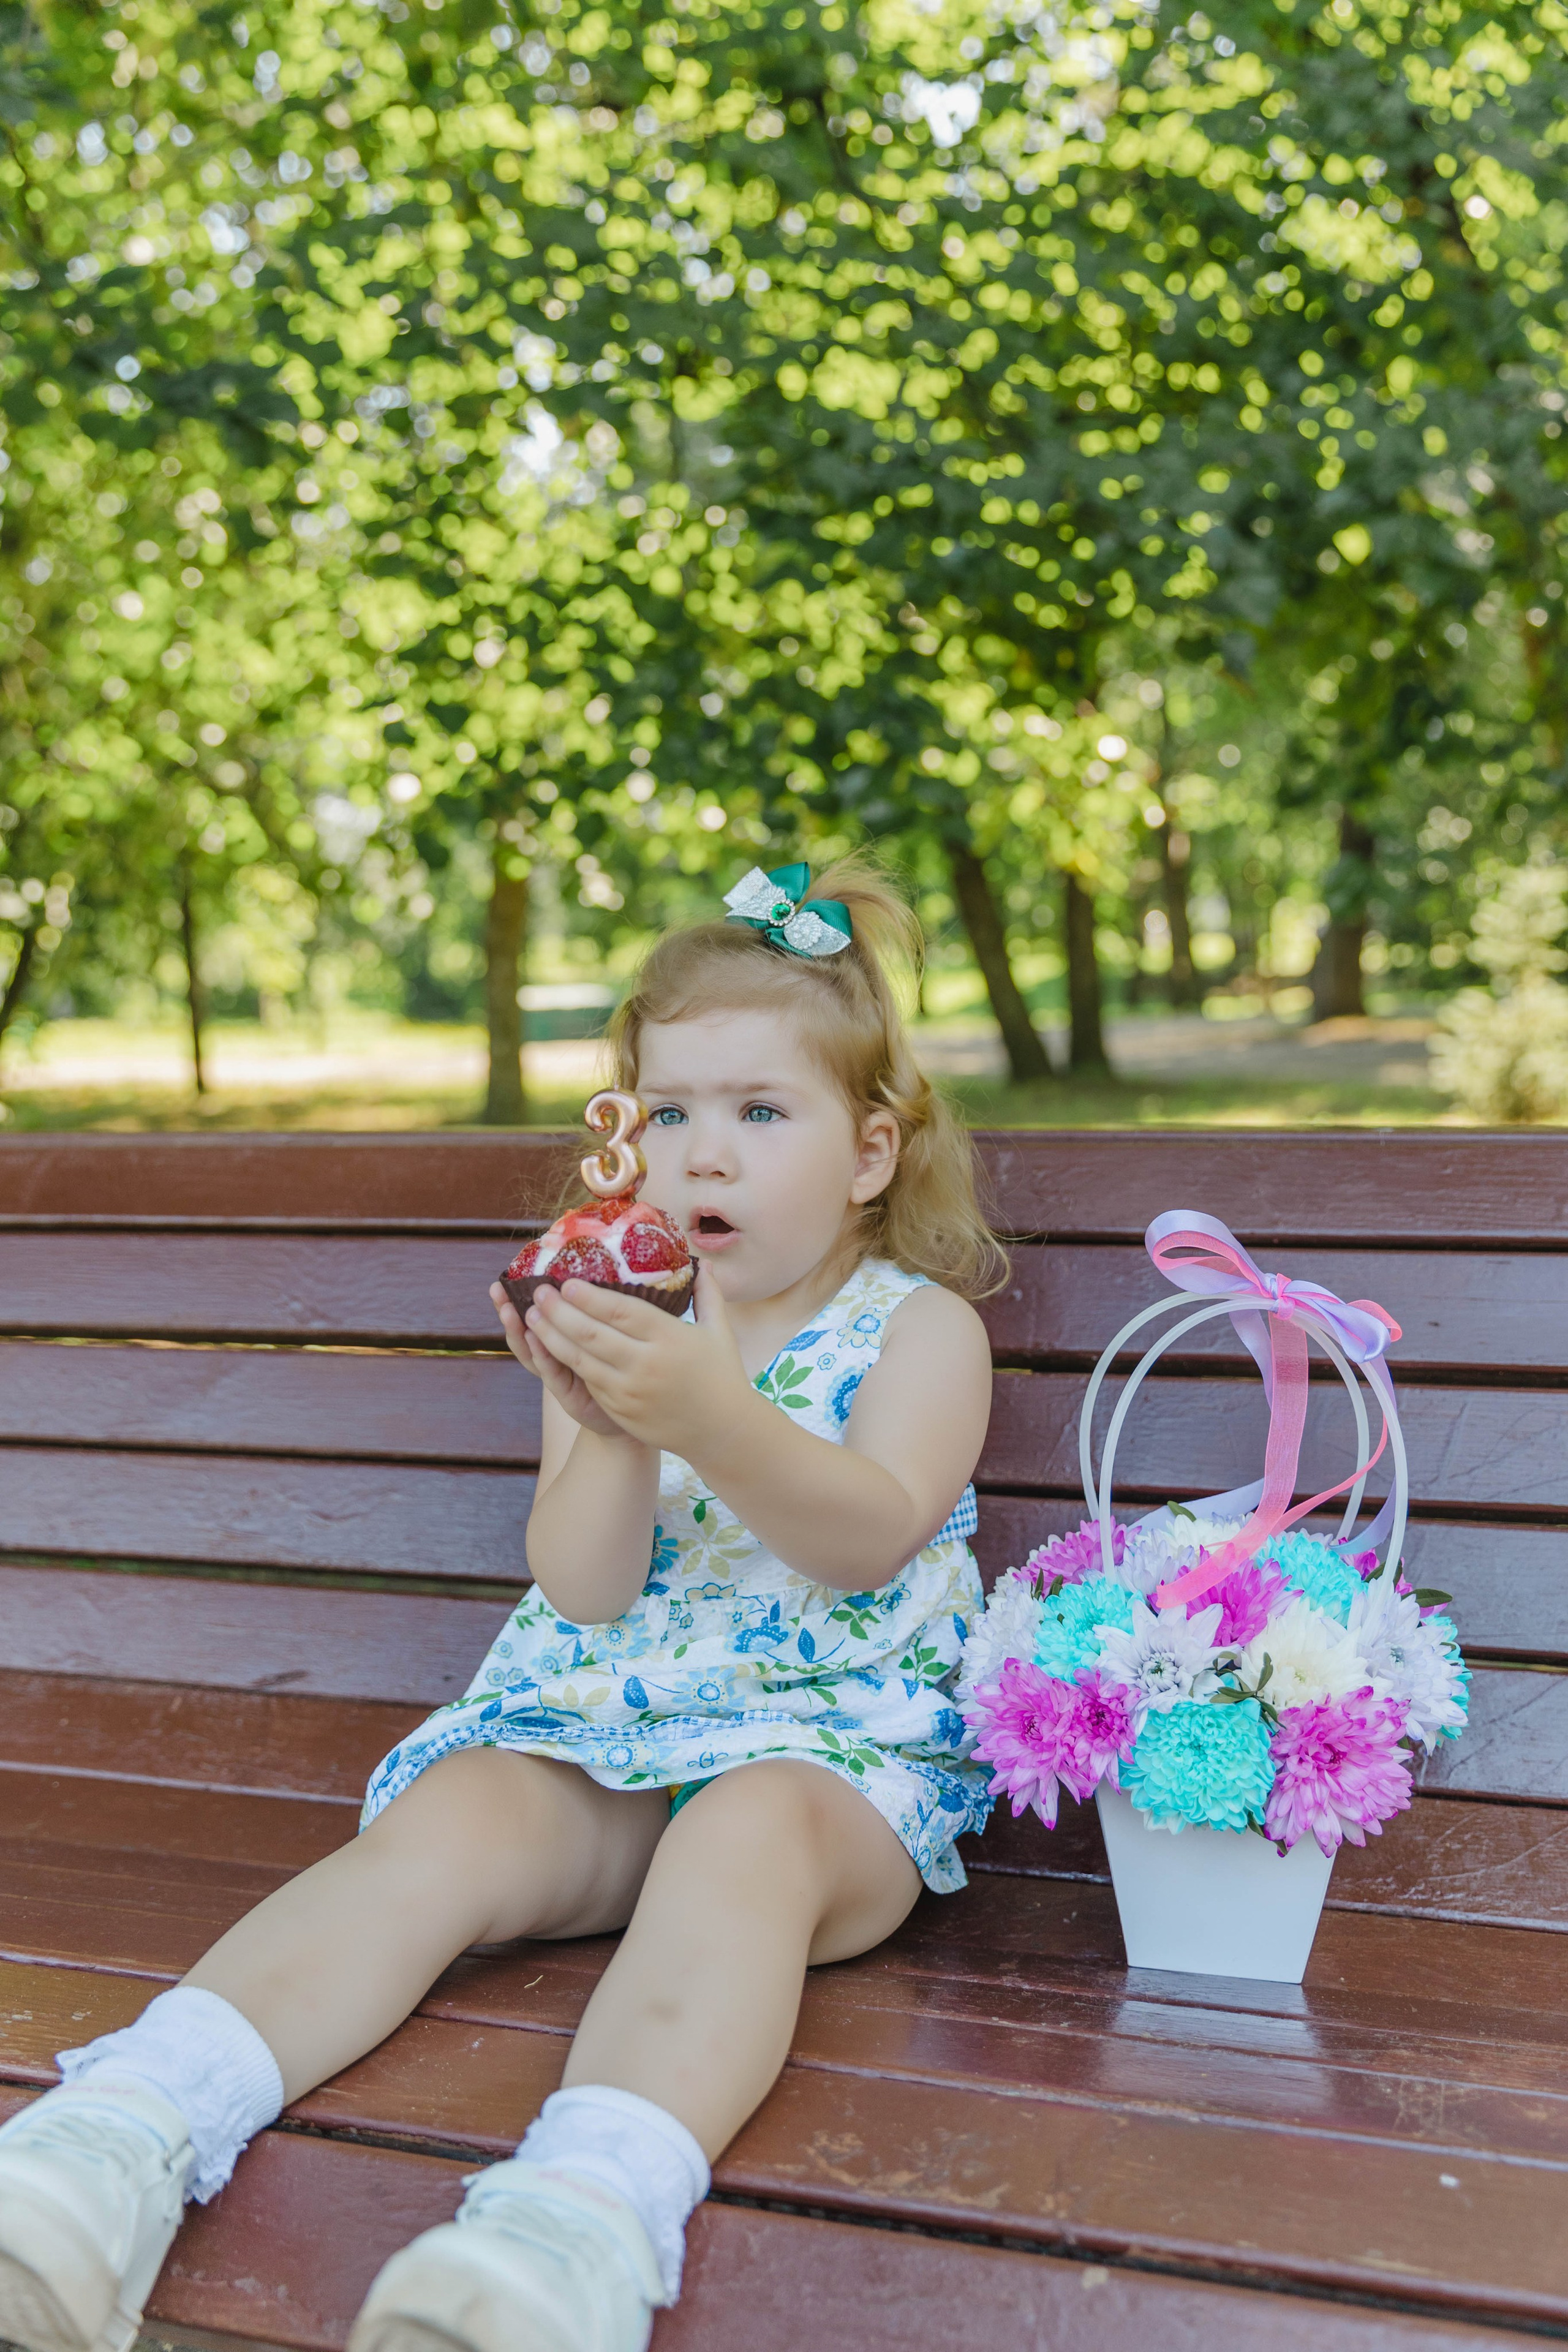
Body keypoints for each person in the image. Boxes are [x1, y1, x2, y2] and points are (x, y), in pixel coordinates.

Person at [0, 856, 1001, 2352]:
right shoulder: (623, 1319)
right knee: (458, 1811)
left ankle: (570, 2231)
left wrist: (709, 1414)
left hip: (833, 1769)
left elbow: (864, 1540)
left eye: (758, 1113)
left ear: (868, 1154)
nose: (701, 1158)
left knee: (741, 1833)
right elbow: (584, 1589)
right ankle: (113, 2145)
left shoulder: (920, 1331)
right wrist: (604, 1422)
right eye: (668, 1113)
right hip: (613, 1727)